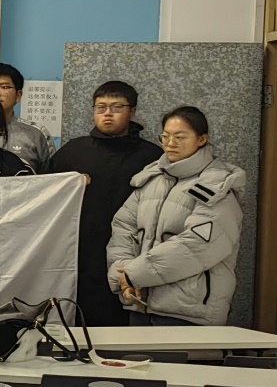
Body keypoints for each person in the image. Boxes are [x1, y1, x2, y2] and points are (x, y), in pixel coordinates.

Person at [107, 106, 245, 326]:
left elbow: (198, 244)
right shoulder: (151, 179)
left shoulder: (217, 185)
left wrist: (135, 274)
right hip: (139, 303)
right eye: (165, 136)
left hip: (190, 312)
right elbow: (123, 229)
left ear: (201, 140)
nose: (170, 143)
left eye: (180, 137)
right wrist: (123, 276)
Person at [47, 81, 162, 326]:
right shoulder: (72, 152)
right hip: (79, 254)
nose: (107, 114)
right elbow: (45, 197)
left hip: (131, 254)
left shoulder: (153, 157)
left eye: (117, 107)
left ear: (132, 112)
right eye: (101, 107)